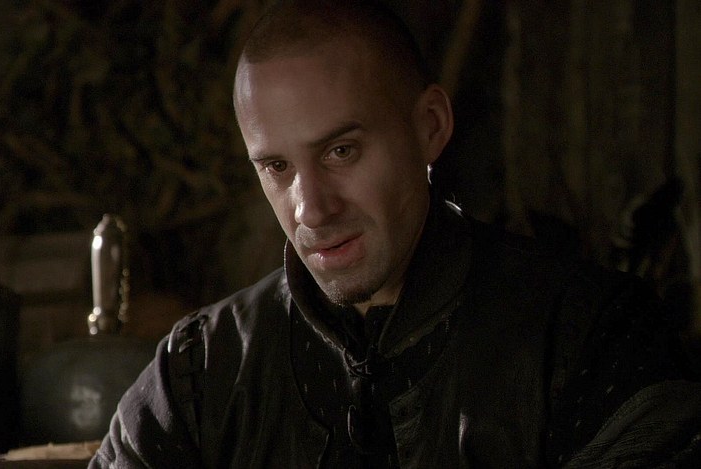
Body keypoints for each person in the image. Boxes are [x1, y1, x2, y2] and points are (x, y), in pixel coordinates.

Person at [90, 1, 701, 467]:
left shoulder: (591, 339)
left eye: (341, 151)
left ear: (430, 126)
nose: (311, 210)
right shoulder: (199, 374)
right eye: (276, 167)